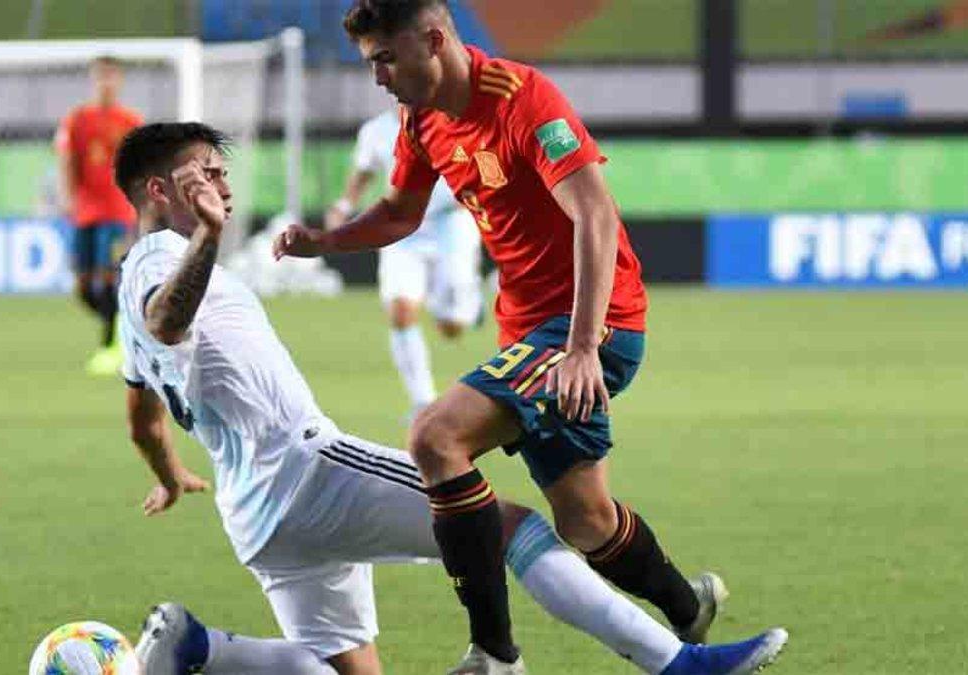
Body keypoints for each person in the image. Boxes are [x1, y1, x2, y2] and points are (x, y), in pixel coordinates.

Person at [115, 121, 786, 675]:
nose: (224, 184)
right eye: (206, 170)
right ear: (158, 188)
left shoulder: (127, 296)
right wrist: (204, 235)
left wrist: (169, 473)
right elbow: (167, 320)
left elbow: (141, 414)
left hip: (255, 515)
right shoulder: (159, 256)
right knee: (506, 526)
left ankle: (202, 650)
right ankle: (677, 662)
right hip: (308, 469)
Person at [273, 2, 789, 672]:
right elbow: (399, 212)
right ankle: (686, 605)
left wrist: (580, 348)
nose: (378, 77)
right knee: (586, 521)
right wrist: (326, 241)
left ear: (433, 40)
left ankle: (494, 652)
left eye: (384, 58)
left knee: (435, 436)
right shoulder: (421, 116)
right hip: (529, 332)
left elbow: (595, 215)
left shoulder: (522, 99)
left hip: (594, 324)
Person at [326, 107, 484, 416]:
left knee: (451, 327)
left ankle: (469, 301)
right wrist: (343, 206)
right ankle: (423, 401)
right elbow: (364, 172)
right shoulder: (376, 130)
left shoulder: (455, 119)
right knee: (401, 311)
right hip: (402, 228)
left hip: (450, 224)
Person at [54, 54, 143, 375]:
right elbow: (66, 159)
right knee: (82, 285)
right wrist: (67, 197)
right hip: (85, 210)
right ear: (94, 81)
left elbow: (142, 167)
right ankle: (122, 325)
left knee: (108, 277)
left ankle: (110, 347)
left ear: (119, 81)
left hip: (117, 211)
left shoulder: (131, 122)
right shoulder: (77, 120)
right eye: (100, 77)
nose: (106, 83)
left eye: (111, 77)